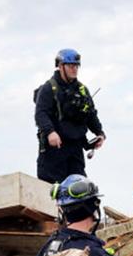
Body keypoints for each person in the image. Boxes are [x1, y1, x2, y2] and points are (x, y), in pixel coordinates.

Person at [34, 48, 106, 183]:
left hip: (76, 149)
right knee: (52, 188)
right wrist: (50, 132)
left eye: (76, 66)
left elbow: (91, 114)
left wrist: (100, 133)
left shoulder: (82, 90)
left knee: (80, 188)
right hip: (54, 149)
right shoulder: (48, 88)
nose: (74, 69)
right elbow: (41, 113)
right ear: (61, 66)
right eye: (71, 66)